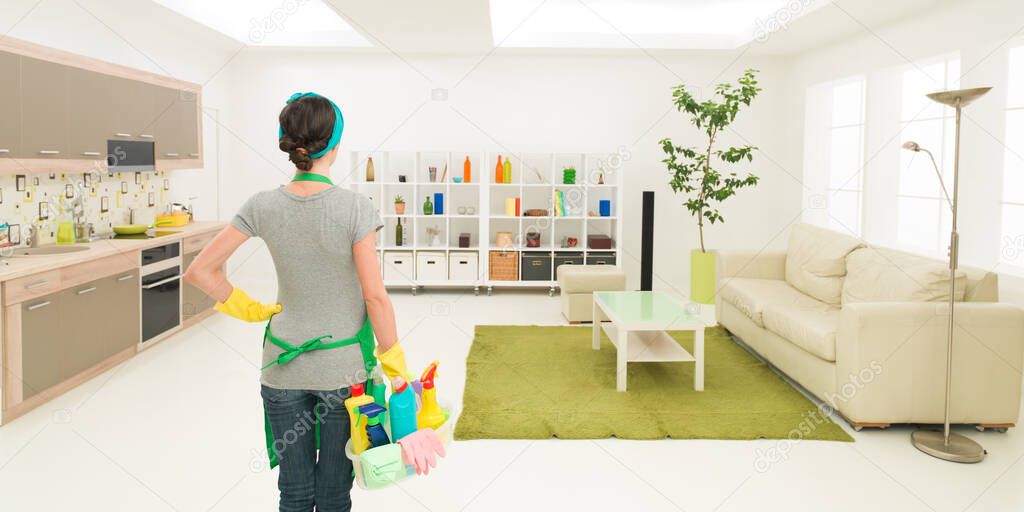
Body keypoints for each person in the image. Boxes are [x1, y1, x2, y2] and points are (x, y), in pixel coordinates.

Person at [185, 92, 439, 512]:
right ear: (334, 146)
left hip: (281, 367)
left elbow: (200, 271)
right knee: (335, 490)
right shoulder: (356, 207)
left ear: (288, 143)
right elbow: (374, 296)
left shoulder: (261, 204)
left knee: (294, 490)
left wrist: (249, 307)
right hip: (347, 377)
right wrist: (396, 368)